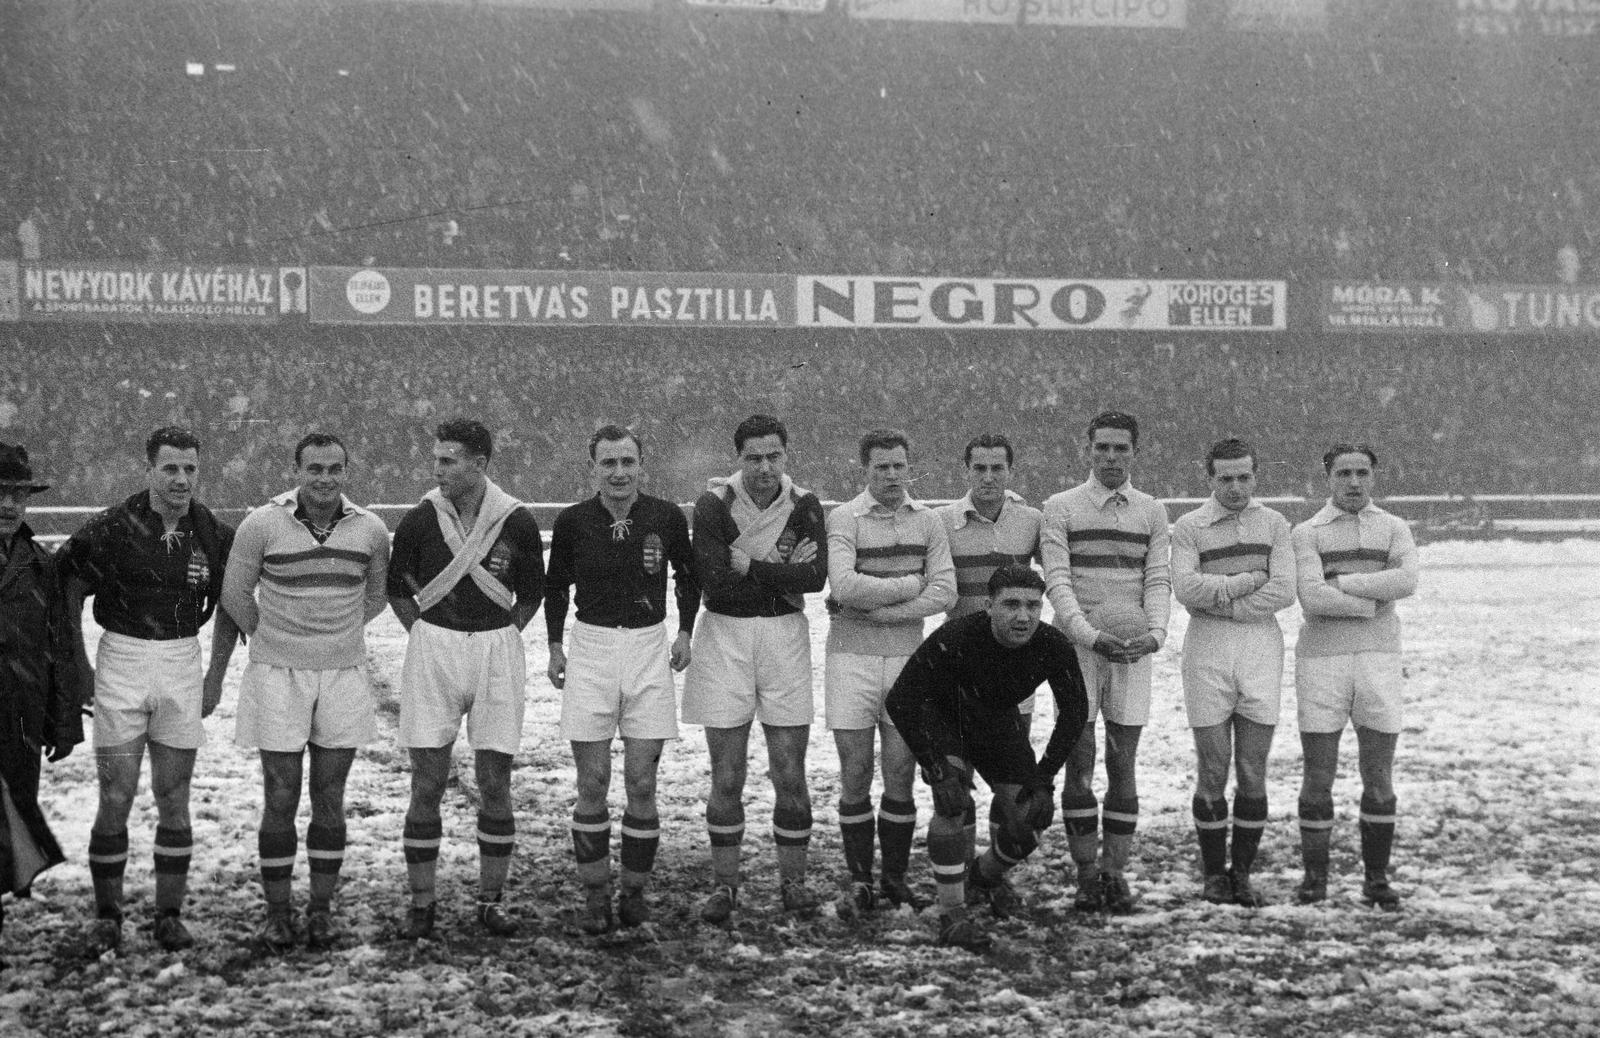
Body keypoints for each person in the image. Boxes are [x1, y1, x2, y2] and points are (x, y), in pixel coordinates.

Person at [61, 426, 239, 952]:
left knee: (173, 795)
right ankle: (107, 916)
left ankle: (169, 914)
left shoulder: (212, 532)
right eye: (170, 468)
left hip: (182, 660)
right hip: (122, 660)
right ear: (149, 470)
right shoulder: (114, 527)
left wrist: (215, 677)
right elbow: (68, 585)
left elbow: (230, 604)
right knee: (115, 794)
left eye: (190, 469)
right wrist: (80, 664)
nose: (181, 479)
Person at [221, 433, 391, 951]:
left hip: (342, 674)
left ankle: (320, 910)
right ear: (297, 471)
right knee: (280, 794)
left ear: (346, 472)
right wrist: (277, 637)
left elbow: (377, 596)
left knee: (330, 796)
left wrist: (333, 636)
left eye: (334, 469)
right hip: (277, 675)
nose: (324, 478)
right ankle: (278, 914)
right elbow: (234, 593)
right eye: (314, 469)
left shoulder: (370, 528)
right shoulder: (261, 523)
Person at [387, 419, 544, 940]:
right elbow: (397, 590)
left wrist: (499, 633)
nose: (438, 470)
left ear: (480, 464)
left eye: (449, 461)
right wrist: (429, 632)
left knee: (495, 781)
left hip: (497, 647)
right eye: (436, 459)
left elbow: (532, 594)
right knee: (427, 781)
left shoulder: (516, 521)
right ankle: (422, 902)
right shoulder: (419, 519)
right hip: (434, 646)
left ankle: (491, 900)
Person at [545, 425, 698, 935]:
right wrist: (555, 646)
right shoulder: (573, 521)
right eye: (608, 463)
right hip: (591, 648)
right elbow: (555, 587)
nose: (618, 472)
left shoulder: (665, 516)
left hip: (649, 646)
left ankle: (633, 893)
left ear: (641, 466)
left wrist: (685, 633)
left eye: (627, 462)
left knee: (641, 782)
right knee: (592, 782)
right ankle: (595, 897)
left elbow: (688, 577)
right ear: (593, 468)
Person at [886, 565, 1087, 952]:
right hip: (944, 718)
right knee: (952, 804)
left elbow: (1075, 711)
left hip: (996, 722)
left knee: (1031, 816)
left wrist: (1044, 777)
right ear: (988, 605)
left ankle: (983, 877)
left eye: (1032, 605)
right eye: (1011, 604)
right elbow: (901, 698)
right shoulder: (957, 635)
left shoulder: (1052, 644)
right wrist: (937, 769)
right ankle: (952, 914)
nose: (1023, 616)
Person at [683, 415, 827, 924]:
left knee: (790, 770)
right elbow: (713, 580)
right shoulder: (714, 503)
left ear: (786, 456)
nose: (765, 468)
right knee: (727, 775)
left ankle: (794, 882)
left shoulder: (804, 503)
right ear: (738, 459)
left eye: (774, 457)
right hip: (725, 634)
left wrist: (749, 564)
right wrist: (782, 573)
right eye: (754, 458)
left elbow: (815, 578)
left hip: (784, 635)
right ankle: (725, 886)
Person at [1040, 410, 1170, 915]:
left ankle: (1115, 872)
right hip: (1077, 649)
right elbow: (1057, 582)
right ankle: (1085, 875)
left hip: (1132, 649)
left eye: (1121, 448)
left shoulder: (1151, 511)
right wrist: (1089, 636)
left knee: (1122, 762)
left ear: (1135, 452)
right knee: (1080, 761)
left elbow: (1156, 579)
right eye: (1102, 447)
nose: (1111, 457)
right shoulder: (1061, 507)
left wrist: (1155, 634)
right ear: (1088, 450)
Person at [826, 428, 955, 917]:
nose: (892, 475)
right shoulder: (845, 517)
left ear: (909, 467)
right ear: (865, 469)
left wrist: (882, 612)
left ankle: (895, 880)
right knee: (856, 772)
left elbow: (944, 591)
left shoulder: (929, 521)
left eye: (900, 465)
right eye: (882, 467)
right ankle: (861, 880)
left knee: (900, 773)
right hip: (850, 659)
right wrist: (909, 584)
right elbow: (844, 586)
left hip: (907, 661)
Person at [1291, 443, 1417, 909]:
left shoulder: (1394, 527)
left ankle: (1376, 880)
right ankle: (1315, 879)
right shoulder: (1307, 532)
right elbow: (1311, 596)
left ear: (1374, 476)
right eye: (1343, 473)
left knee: (1378, 774)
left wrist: (1340, 582)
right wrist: (1369, 602)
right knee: (1318, 774)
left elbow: (1406, 581)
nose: (1353, 482)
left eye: (1362, 472)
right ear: (1328, 478)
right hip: (1321, 662)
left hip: (1379, 659)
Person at [1170, 438, 1295, 907]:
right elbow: (1186, 589)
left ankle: (1241, 873)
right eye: (1226, 478)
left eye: (1245, 477)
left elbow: (1284, 591)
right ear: (1210, 479)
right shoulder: (1190, 526)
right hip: (1207, 650)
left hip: (1261, 647)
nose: (1236, 487)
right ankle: (1212, 875)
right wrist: (1247, 581)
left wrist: (1224, 602)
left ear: (1256, 476)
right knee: (1213, 767)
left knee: (1252, 769)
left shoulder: (1274, 524)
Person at [935, 432, 1042, 901]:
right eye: (979, 468)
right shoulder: (943, 522)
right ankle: (959, 879)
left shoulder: (1030, 521)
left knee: (1009, 781)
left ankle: (992, 876)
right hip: (958, 671)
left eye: (997, 468)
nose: (988, 477)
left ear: (1010, 471)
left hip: (1014, 670)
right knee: (957, 784)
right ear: (966, 471)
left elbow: (1061, 574)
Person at [0, 443, 82, 969]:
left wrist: (62, 719)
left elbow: (58, 645)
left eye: (17, 494)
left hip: (20, 715)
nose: (9, 505)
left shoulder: (39, 563)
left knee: (11, 817)